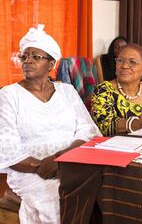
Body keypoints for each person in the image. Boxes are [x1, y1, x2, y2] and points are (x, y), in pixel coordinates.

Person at [0, 25, 101, 223]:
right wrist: (42, 167)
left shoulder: (67, 91)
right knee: (56, 200)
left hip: (73, 163)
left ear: (51, 64)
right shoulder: (8, 95)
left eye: (36, 57)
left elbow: (88, 132)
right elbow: (7, 149)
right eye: (24, 56)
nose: (27, 61)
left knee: (104, 193)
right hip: (32, 172)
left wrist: (61, 161)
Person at [91, 43, 142, 136]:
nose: (124, 66)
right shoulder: (103, 91)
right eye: (120, 61)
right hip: (114, 148)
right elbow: (105, 127)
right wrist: (138, 123)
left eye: (132, 62)